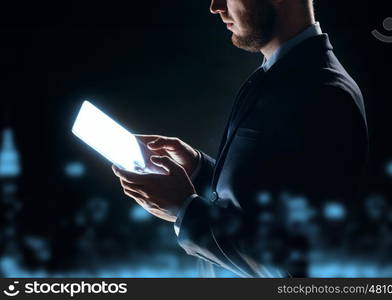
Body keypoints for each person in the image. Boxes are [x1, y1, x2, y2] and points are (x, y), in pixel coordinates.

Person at [112, 0, 368, 277]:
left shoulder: (327, 95)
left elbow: (298, 267)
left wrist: (186, 210)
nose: (215, 6)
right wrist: (199, 170)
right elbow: (265, 199)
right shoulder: (276, 74)